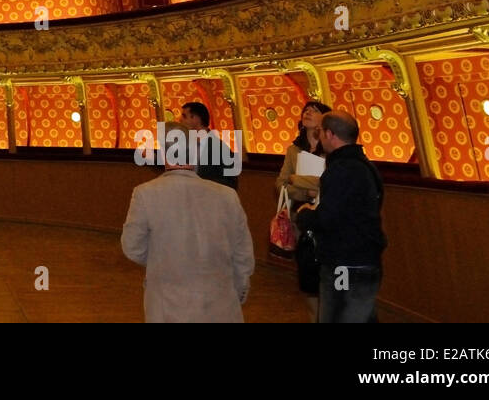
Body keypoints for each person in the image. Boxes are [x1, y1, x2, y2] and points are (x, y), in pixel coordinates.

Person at [120, 122, 255, 322]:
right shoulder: (227, 196)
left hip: (168, 306)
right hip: (221, 305)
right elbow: (243, 253)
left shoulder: (145, 194)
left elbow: (132, 247)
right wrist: (240, 287)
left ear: (164, 153)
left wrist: (162, 256)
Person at [296, 111, 387, 323]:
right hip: (366, 259)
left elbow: (329, 218)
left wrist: (305, 215)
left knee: (338, 314)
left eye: (321, 133)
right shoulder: (365, 165)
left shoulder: (341, 169)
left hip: (344, 264)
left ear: (329, 134)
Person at [276, 99, 331, 315]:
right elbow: (281, 183)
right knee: (307, 276)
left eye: (314, 110)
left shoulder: (331, 148)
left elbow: (328, 183)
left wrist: (297, 180)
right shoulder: (293, 150)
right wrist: (304, 191)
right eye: (306, 110)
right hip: (299, 216)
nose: (307, 112)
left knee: (325, 273)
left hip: (325, 217)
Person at [180, 101, 238, 191]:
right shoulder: (183, 145)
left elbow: (231, 183)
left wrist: (201, 183)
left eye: (184, 116)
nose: (180, 120)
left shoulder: (220, 149)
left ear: (196, 119)